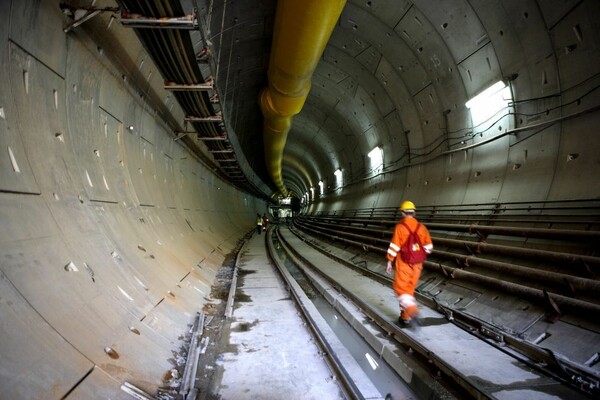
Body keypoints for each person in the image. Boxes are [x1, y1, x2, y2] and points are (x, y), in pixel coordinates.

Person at [385, 201, 433, 326]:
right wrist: (416, 254)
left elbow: (394, 246)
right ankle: (405, 317)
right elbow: (429, 247)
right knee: (409, 291)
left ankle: (413, 311)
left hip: (404, 263)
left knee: (400, 288)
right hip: (417, 264)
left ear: (402, 213)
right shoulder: (422, 228)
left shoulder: (400, 228)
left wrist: (390, 261)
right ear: (414, 212)